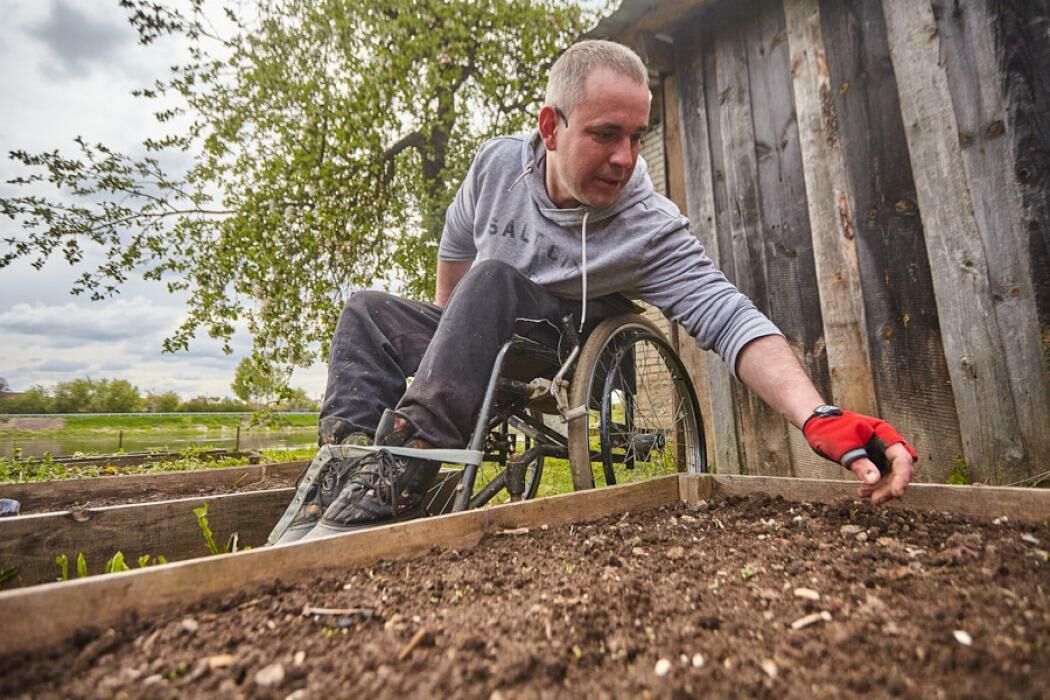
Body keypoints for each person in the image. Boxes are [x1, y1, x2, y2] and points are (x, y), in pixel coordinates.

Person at [267, 40, 916, 545]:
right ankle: (345, 475)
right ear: (551, 126)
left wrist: (817, 413)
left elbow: (729, 318)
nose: (627, 158)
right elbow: (456, 244)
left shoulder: (647, 227)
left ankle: (402, 478)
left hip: (557, 343)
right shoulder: (496, 166)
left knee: (493, 281)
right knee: (365, 311)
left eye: (637, 137)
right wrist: (447, 335)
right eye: (606, 134)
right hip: (478, 321)